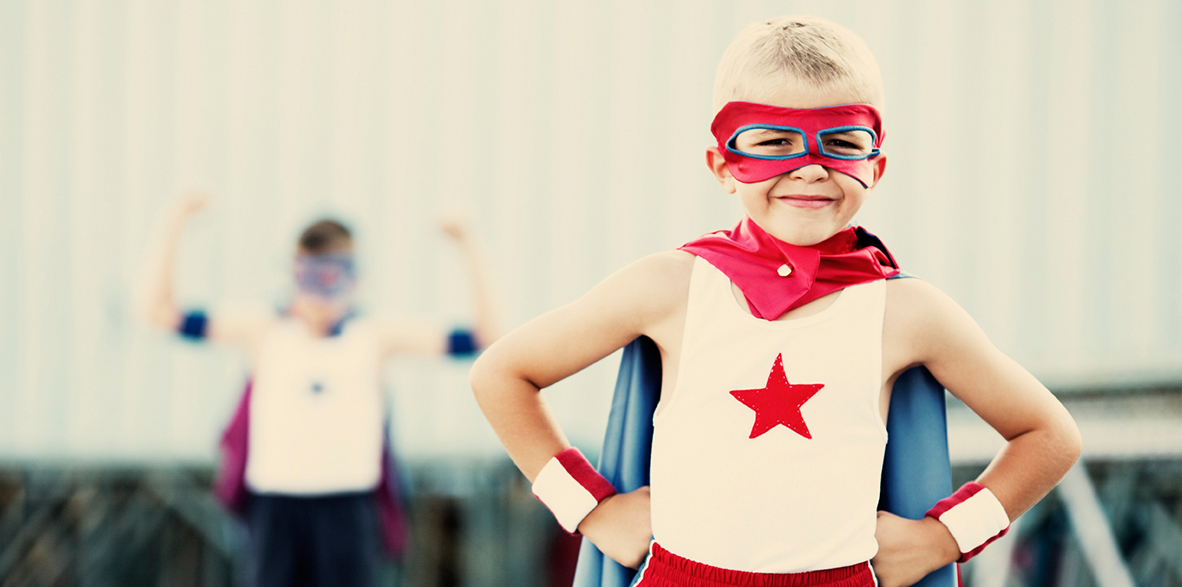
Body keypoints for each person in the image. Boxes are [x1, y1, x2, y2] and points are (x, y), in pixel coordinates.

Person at [470, 15, 1081, 587]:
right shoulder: (670, 286)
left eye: (842, 142)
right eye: (773, 142)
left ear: (878, 164)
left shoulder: (908, 312)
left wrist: (944, 538)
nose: (811, 168)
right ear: (722, 163)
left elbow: (1049, 434)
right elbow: (501, 374)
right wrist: (592, 511)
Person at [138, 193, 500, 587]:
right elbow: (159, 312)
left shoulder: (374, 336)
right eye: (311, 276)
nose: (321, 293)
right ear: (294, 274)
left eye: (334, 275)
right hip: (275, 504)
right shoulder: (264, 330)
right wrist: (175, 220)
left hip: (348, 504)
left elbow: (486, 333)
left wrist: (468, 241)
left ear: (354, 277)